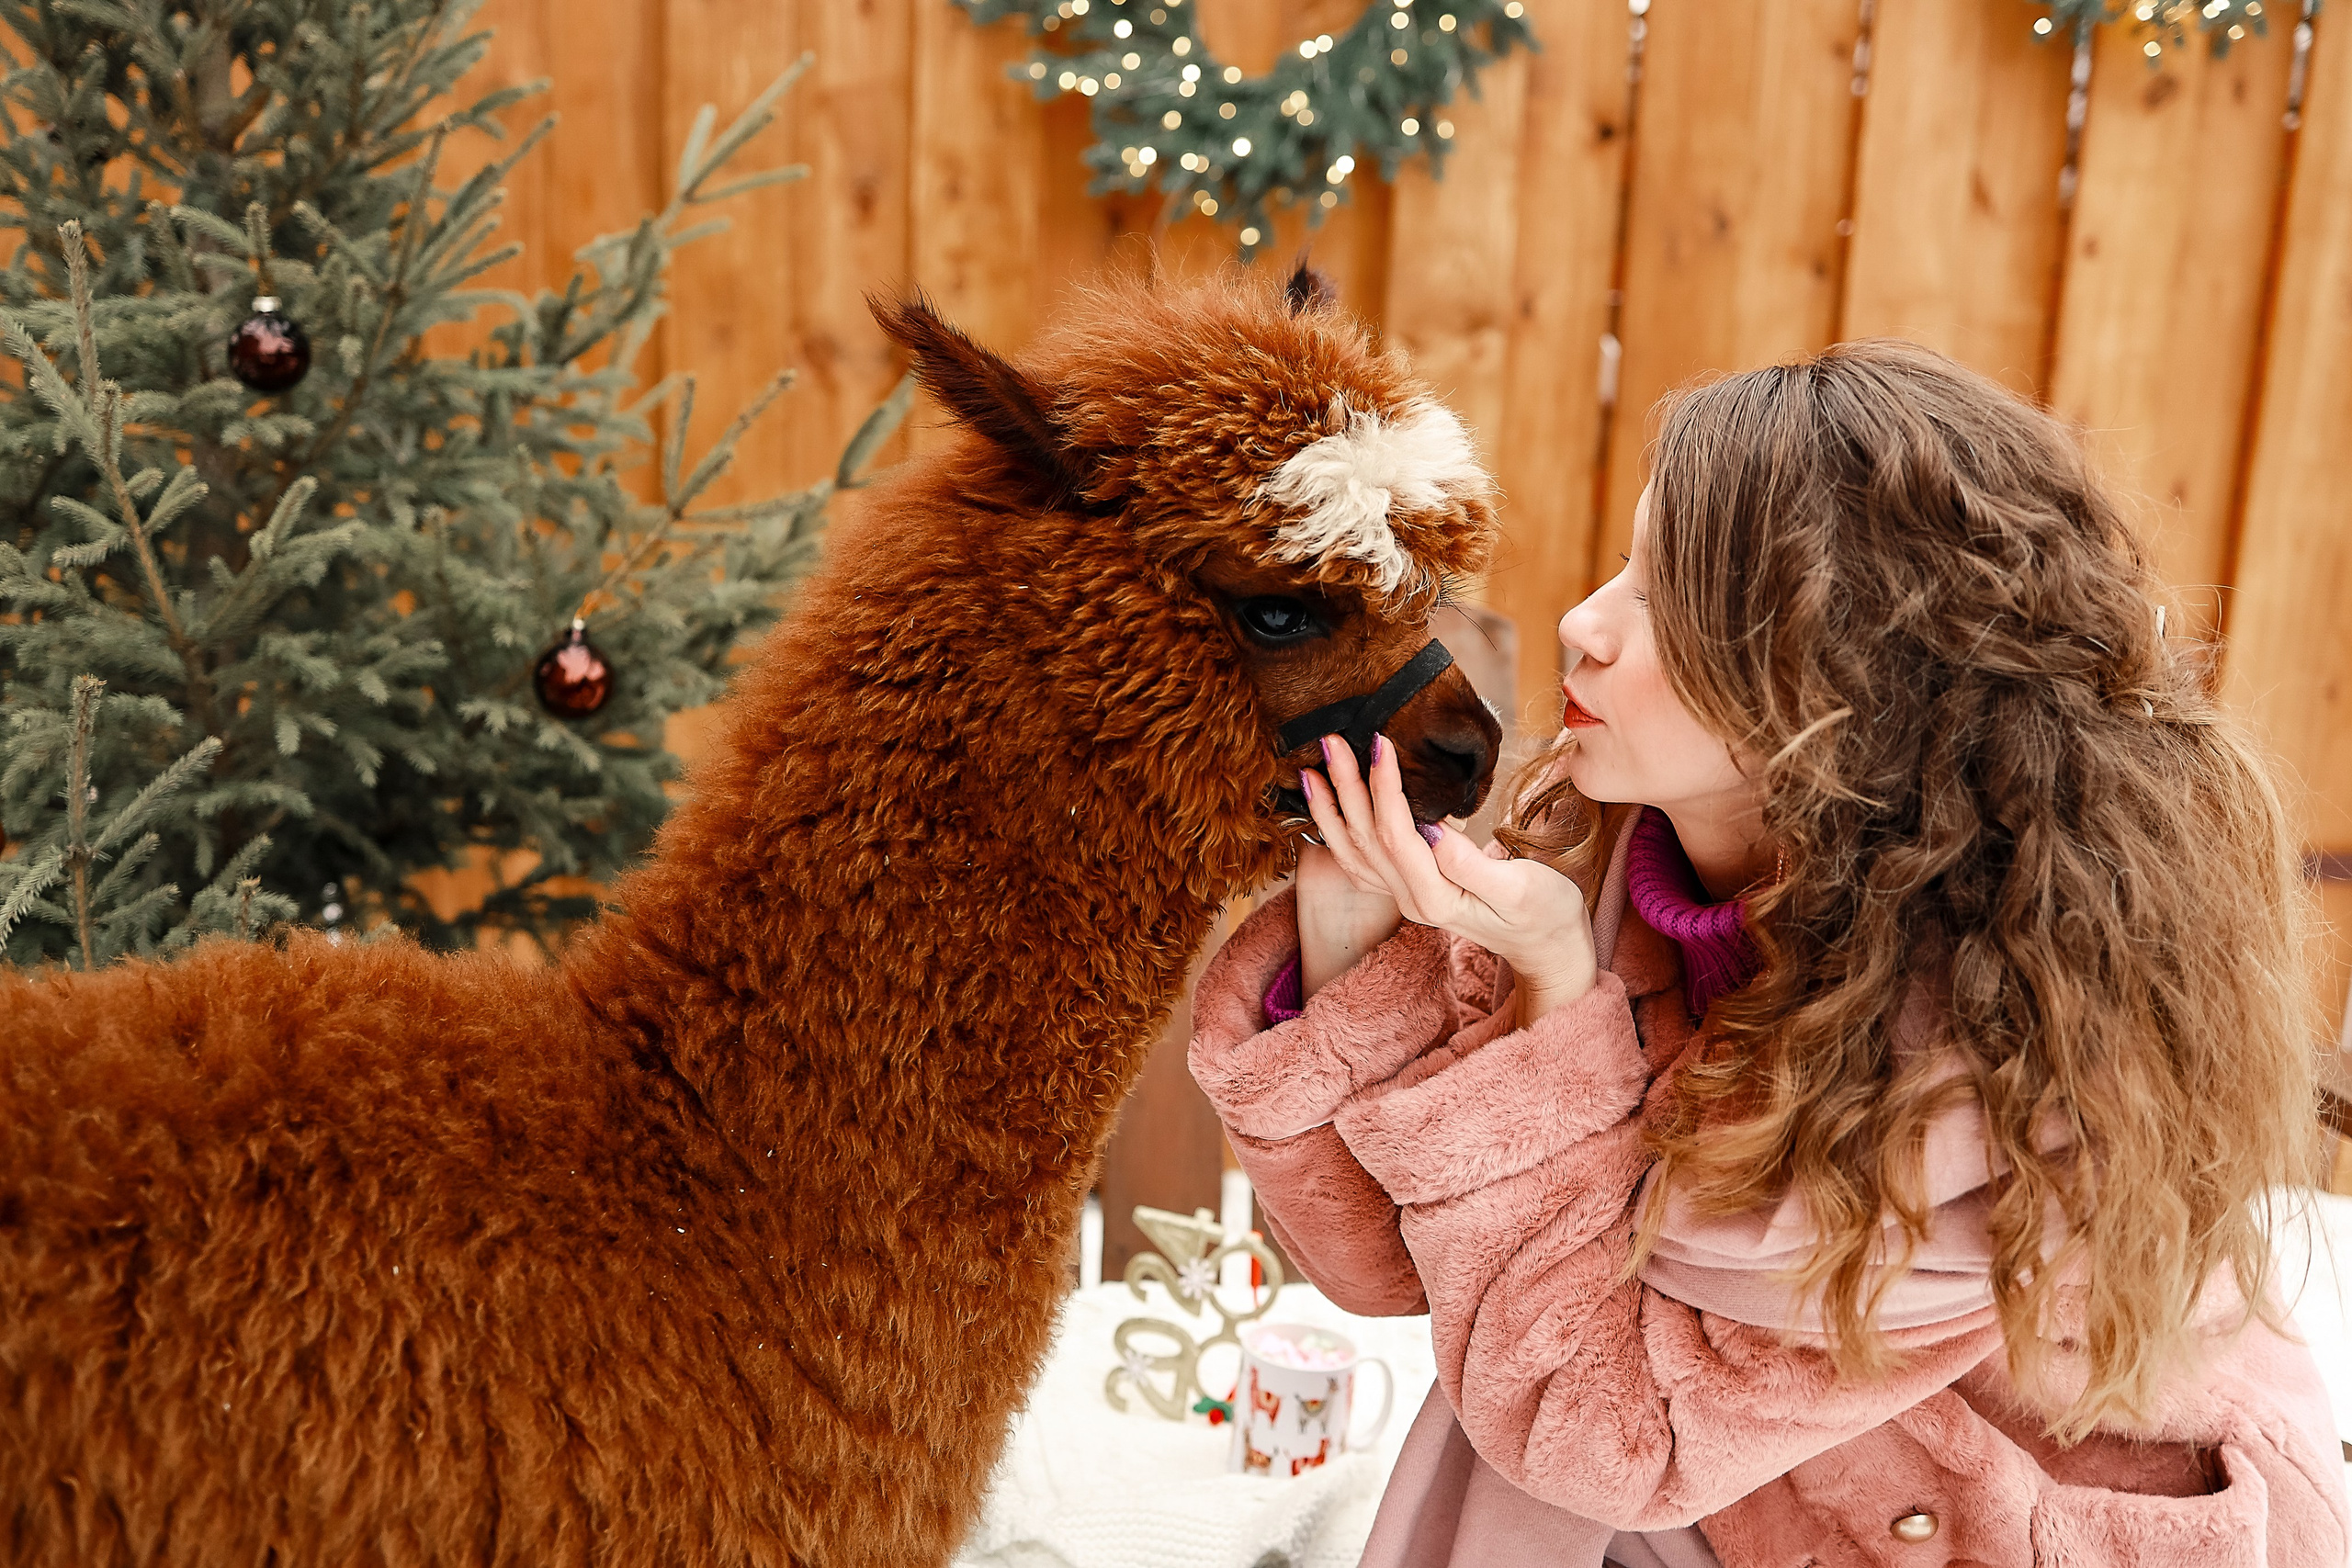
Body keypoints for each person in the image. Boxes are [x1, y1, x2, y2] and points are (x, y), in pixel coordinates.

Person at [1188, 340, 2349, 1568]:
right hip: (1728, 1494)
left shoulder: (1999, 1063)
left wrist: (1552, 1000)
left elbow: (1602, 1431)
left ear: (1835, 689)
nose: (1583, 624)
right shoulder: (1601, 865)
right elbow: (1409, 1276)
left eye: (1664, 596)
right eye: (1624, 564)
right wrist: (1352, 931)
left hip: (1997, 1517)